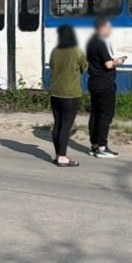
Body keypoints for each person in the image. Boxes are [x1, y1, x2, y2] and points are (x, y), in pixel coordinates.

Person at [87, 16, 126, 158]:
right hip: (105, 83)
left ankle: (94, 145)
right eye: (108, 27)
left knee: (95, 114)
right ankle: (103, 147)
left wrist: (110, 60)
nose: (110, 30)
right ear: (101, 28)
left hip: (94, 82)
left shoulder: (91, 42)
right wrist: (118, 62)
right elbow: (108, 65)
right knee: (105, 115)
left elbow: (99, 60)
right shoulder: (100, 43)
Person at [48, 24, 86, 167]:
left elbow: (52, 66)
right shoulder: (77, 51)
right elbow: (84, 67)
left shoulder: (55, 51)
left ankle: (58, 155)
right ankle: (63, 157)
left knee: (57, 124)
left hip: (55, 92)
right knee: (66, 126)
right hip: (71, 94)